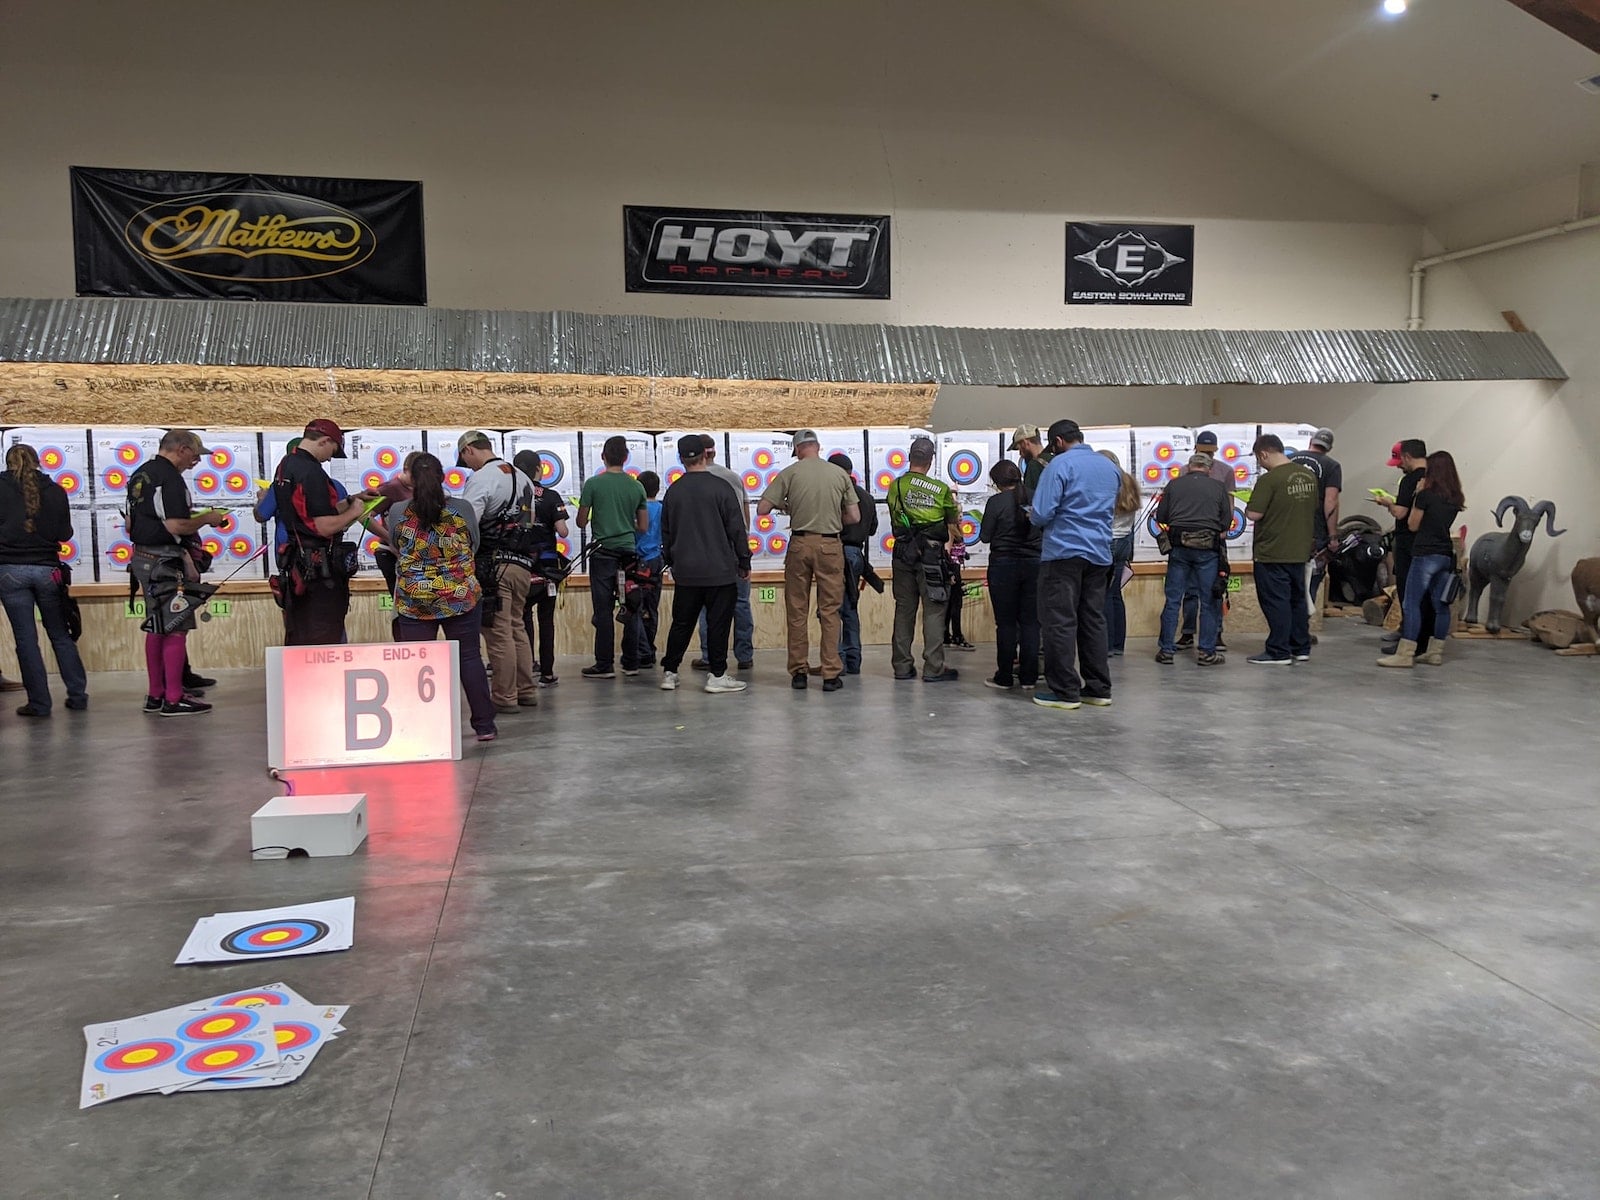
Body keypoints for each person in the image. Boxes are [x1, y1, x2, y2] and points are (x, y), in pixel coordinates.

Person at [384, 453, 498, 742]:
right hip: (459, 595)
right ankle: (484, 726)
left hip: (414, 599)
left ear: (409, 477)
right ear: (443, 477)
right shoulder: (462, 509)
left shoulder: (398, 510)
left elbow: (396, 542)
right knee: (470, 657)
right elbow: (473, 543)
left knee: (416, 664)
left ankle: (420, 728)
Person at [125, 429, 228, 715]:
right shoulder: (170, 479)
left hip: (143, 558)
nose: (196, 462)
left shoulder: (140, 475)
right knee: (176, 628)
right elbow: (176, 526)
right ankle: (173, 698)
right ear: (181, 449)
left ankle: (155, 695)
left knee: (156, 626)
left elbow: (131, 526)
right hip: (165, 562)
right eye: (195, 456)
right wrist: (209, 519)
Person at [1029, 419, 1121, 709]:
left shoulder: (1059, 465)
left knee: (1059, 622)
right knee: (1093, 620)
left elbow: (1042, 514)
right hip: (1099, 554)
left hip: (1063, 554)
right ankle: (1098, 688)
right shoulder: (1108, 466)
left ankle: (1065, 691)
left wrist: (1030, 513)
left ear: (1057, 442)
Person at [759, 429, 859, 691]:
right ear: (817, 446)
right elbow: (854, 517)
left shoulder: (790, 473)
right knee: (829, 611)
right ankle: (829, 674)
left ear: (798, 449)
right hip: (830, 545)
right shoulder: (838, 474)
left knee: (797, 610)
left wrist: (788, 506)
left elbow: (762, 509)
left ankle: (799, 672)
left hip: (800, 545)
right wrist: (832, 519)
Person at [0, 443, 89, 716]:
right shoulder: (55, 491)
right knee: (60, 634)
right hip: (48, 570)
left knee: (26, 640)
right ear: (39, 462)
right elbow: (65, 534)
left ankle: (39, 703)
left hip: (9, 570)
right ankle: (77, 695)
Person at [658, 435, 751, 694]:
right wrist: (744, 561)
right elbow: (737, 529)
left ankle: (670, 672)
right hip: (720, 571)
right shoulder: (721, 488)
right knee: (718, 623)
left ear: (680, 459)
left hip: (686, 571)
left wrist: (671, 562)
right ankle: (717, 675)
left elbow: (665, 533)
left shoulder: (673, 491)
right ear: (705, 455)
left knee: (681, 622)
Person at [457, 431, 538, 712]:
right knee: (517, 625)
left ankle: (505, 697)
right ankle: (526, 689)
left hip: (493, 565)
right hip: (521, 564)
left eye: (466, 460)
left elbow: (468, 523)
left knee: (497, 631)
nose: (468, 466)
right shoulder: (524, 477)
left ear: (469, 450)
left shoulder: (482, 478)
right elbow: (529, 522)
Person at [272, 419, 372, 647]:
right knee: (322, 636)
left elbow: (310, 514)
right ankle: (324, 682)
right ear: (325, 441)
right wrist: (354, 512)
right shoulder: (312, 472)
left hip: (298, 562)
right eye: (332, 451)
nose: (329, 458)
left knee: (300, 631)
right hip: (317, 572)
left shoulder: (287, 464)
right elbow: (323, 526)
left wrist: (351, 500)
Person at [885, 436, 961, 683]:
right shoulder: (941, 491)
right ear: (931, 460)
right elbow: (954, 527)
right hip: (932, 557)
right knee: (934, 610)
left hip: (903, 554)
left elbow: (897, 518)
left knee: (904, 609)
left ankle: (902, 666)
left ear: (909, 457)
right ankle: (933, 667)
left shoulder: (895, 486)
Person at [1378, 450, 1464, 669]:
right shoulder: (1454, 498)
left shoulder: (1425, 496)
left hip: (1425, 554)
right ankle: (1435, 653)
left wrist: (1417, 495)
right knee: (1440, 605)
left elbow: (1412, 525)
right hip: (1445, 555)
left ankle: (1405, 654)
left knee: (1411, 603)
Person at [577, 435, 648, 679]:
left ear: (603, 456)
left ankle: (604, 664)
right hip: (628, 553)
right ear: (626, 457)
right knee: (631, 606)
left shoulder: (593, 484)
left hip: (602, 553)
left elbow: (580, 521)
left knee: (603, 609)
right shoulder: (636, 486)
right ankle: (631, 662)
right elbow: (643, 526)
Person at [1245, 434, 1318, 665]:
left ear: (1264, 453)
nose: (1260, 463)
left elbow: (1254, 514)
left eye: (1259, 458)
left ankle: (1278, 650)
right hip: (1300, 549)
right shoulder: (1308, 475)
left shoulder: (1270, 480)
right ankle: (1300, 646)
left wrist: (1248, 505)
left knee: (1276, 601)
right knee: (1297, 600)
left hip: (1272, 550)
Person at [1154, 452, 1232, 667]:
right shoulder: (1218, 487)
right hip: (1208, 550)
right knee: (1208, 601)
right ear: (1208, 468)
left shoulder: (1174, 484)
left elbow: (1161, 516)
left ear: (1189, 467)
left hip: (1179, 548)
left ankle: (1166, 651)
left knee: (1173, 600)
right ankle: (1206, 652)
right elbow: (1226, 522)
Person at [692, 434, 755, 672]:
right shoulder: (733, 477)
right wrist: (744, 547)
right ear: (714, 452)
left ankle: (709, 656)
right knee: (740, 603)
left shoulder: (693, 480)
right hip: (735, 548)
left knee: (707, 605)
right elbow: (744, 516)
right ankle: (745, 655)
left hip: (706, 552)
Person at [979, 459, 1040, 689]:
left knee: (1005, 624)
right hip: (1035, 564)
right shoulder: (1035, 495)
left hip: (1003, 565)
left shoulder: (996, 502)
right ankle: (1029, 678)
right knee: (1031, 623)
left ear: (997, 482)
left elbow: (985, 536)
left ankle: (1004, 676)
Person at [512, 449, 571, 687]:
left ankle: (528, 666)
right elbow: (564, 531)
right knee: (547, 621)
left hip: (521, 566)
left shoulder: (514, 496)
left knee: (522, 617)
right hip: (548, 569)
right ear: (540, 468)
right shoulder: (551, 495)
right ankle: (547, 673)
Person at [1178, 430, 1236, 649]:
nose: (1208, 456)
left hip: (1215, 539)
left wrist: (1224, 530)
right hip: (1190, 539)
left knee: (1215, 588)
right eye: (1203, 452)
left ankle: (1215, 633)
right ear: (1195, 449)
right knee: (1190, 589)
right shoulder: (1185, 471)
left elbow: (1230, 504)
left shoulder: (1225, 471)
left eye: (1210, 452)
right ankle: (1188, 632)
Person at [1372, 439, 1429, 657]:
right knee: (1422, 595)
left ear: (1406, 456)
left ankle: (1409, 639)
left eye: (1398, 461)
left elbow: (1401, 513)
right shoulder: (1434, 478)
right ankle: (1415, 635)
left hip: (1408, 543)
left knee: (1408, 592)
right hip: (1426, 545)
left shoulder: (1409, 480)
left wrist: (1387, 503)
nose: (1397, 465)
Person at [830, 452, 878, 675]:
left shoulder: (836, 494)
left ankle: (836, 661)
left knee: (833, 609)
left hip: (838, 553)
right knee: (850, 608)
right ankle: (853, 660)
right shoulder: (866, 496)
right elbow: (872, 529)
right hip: (857, 555)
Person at [1290, 427, 1342, 623]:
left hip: (1287, 530)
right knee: (1311, 579)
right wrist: (1333, 536)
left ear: (1311, 441)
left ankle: (1286, 630)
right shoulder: (1331, 466)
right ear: (1329, 448)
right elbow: (1331, 500)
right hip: (1314, 532)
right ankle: (1300, 630)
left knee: (1289, 580)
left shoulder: (1291, 460)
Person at [1099, 449, 1141, 657]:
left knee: (1104, 594)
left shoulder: (1108, 484)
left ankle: (1105, 645)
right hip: (1124, 541)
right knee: (1115, 594)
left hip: (1107, 541)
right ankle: (1117, 645)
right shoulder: (1129, 482)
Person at [635, 470, 665, 668]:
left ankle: (642, 652)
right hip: (656, 561)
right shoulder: (663, 508)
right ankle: (649, 650)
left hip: (637, 562)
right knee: (651, 607)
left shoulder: (638, 508)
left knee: (635, 607)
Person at [1011, 424, 1053, 493]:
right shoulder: (1055, 459)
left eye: (1019, 449)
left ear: (1025, 443)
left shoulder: (1033, 465)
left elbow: (1029, 497)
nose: (1020, 454)